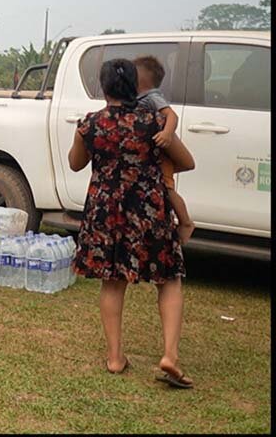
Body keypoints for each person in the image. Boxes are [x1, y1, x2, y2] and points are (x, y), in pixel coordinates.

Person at [68, 58, 196, 389]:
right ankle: (169, 354)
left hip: (106, 213)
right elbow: (186, 161)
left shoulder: (90, 125)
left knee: (112, 282)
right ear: (135, 85)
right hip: (149, 211)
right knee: (168, 280)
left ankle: (115, 358)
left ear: (104, 87)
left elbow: (75, 164)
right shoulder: (154, 122)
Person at [133, 55, 195, 246]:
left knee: (167, 188)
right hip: (153, 153)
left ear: (141, 80)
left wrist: (167, 134)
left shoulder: (152, 96)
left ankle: (185, 222)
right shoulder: (138, 98)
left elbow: (171, 115)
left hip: (162, 152)